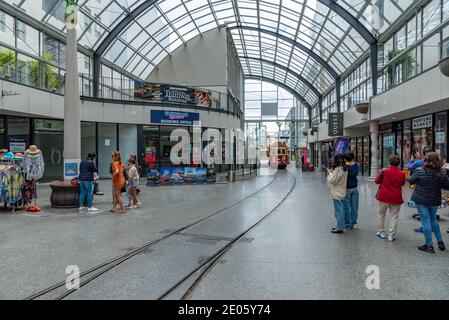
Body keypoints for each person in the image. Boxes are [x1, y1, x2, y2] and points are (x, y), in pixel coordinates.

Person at [409, 152, 449, 254]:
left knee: (426, 221)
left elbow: (411, 181)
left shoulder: (419, 170)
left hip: (421, 199)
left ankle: (429, 245)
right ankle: (440, 242)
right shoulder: (441, 173)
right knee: (433, 219)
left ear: (425, 160)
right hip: (434, 200)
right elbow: (447, 186)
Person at [374, 155, 406, 241]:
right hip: (396, 197)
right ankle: (391, 235)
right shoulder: (402, 174)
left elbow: (376, 181)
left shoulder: (384, 171)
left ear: (389, 162)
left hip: (384, 196)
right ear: (399, 163)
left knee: (382, 214)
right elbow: (402, 184)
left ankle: (381, 232)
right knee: (394, 216)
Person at [327, 153, 348, 234]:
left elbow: (332, 181)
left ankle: (340, 227)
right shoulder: (345, 168)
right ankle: (340, 226)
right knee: (341, 209)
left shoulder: (338, 169)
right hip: (342, 191)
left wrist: (330, 174)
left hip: (337, 193)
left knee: (338, 211)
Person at [343, 152, 360, 229]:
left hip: (347, 188)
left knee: (347, 207)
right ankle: (354, 222)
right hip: (355, 188)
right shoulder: (356, 165)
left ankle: (348, 223)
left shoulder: (344, 167)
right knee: (355, 207)